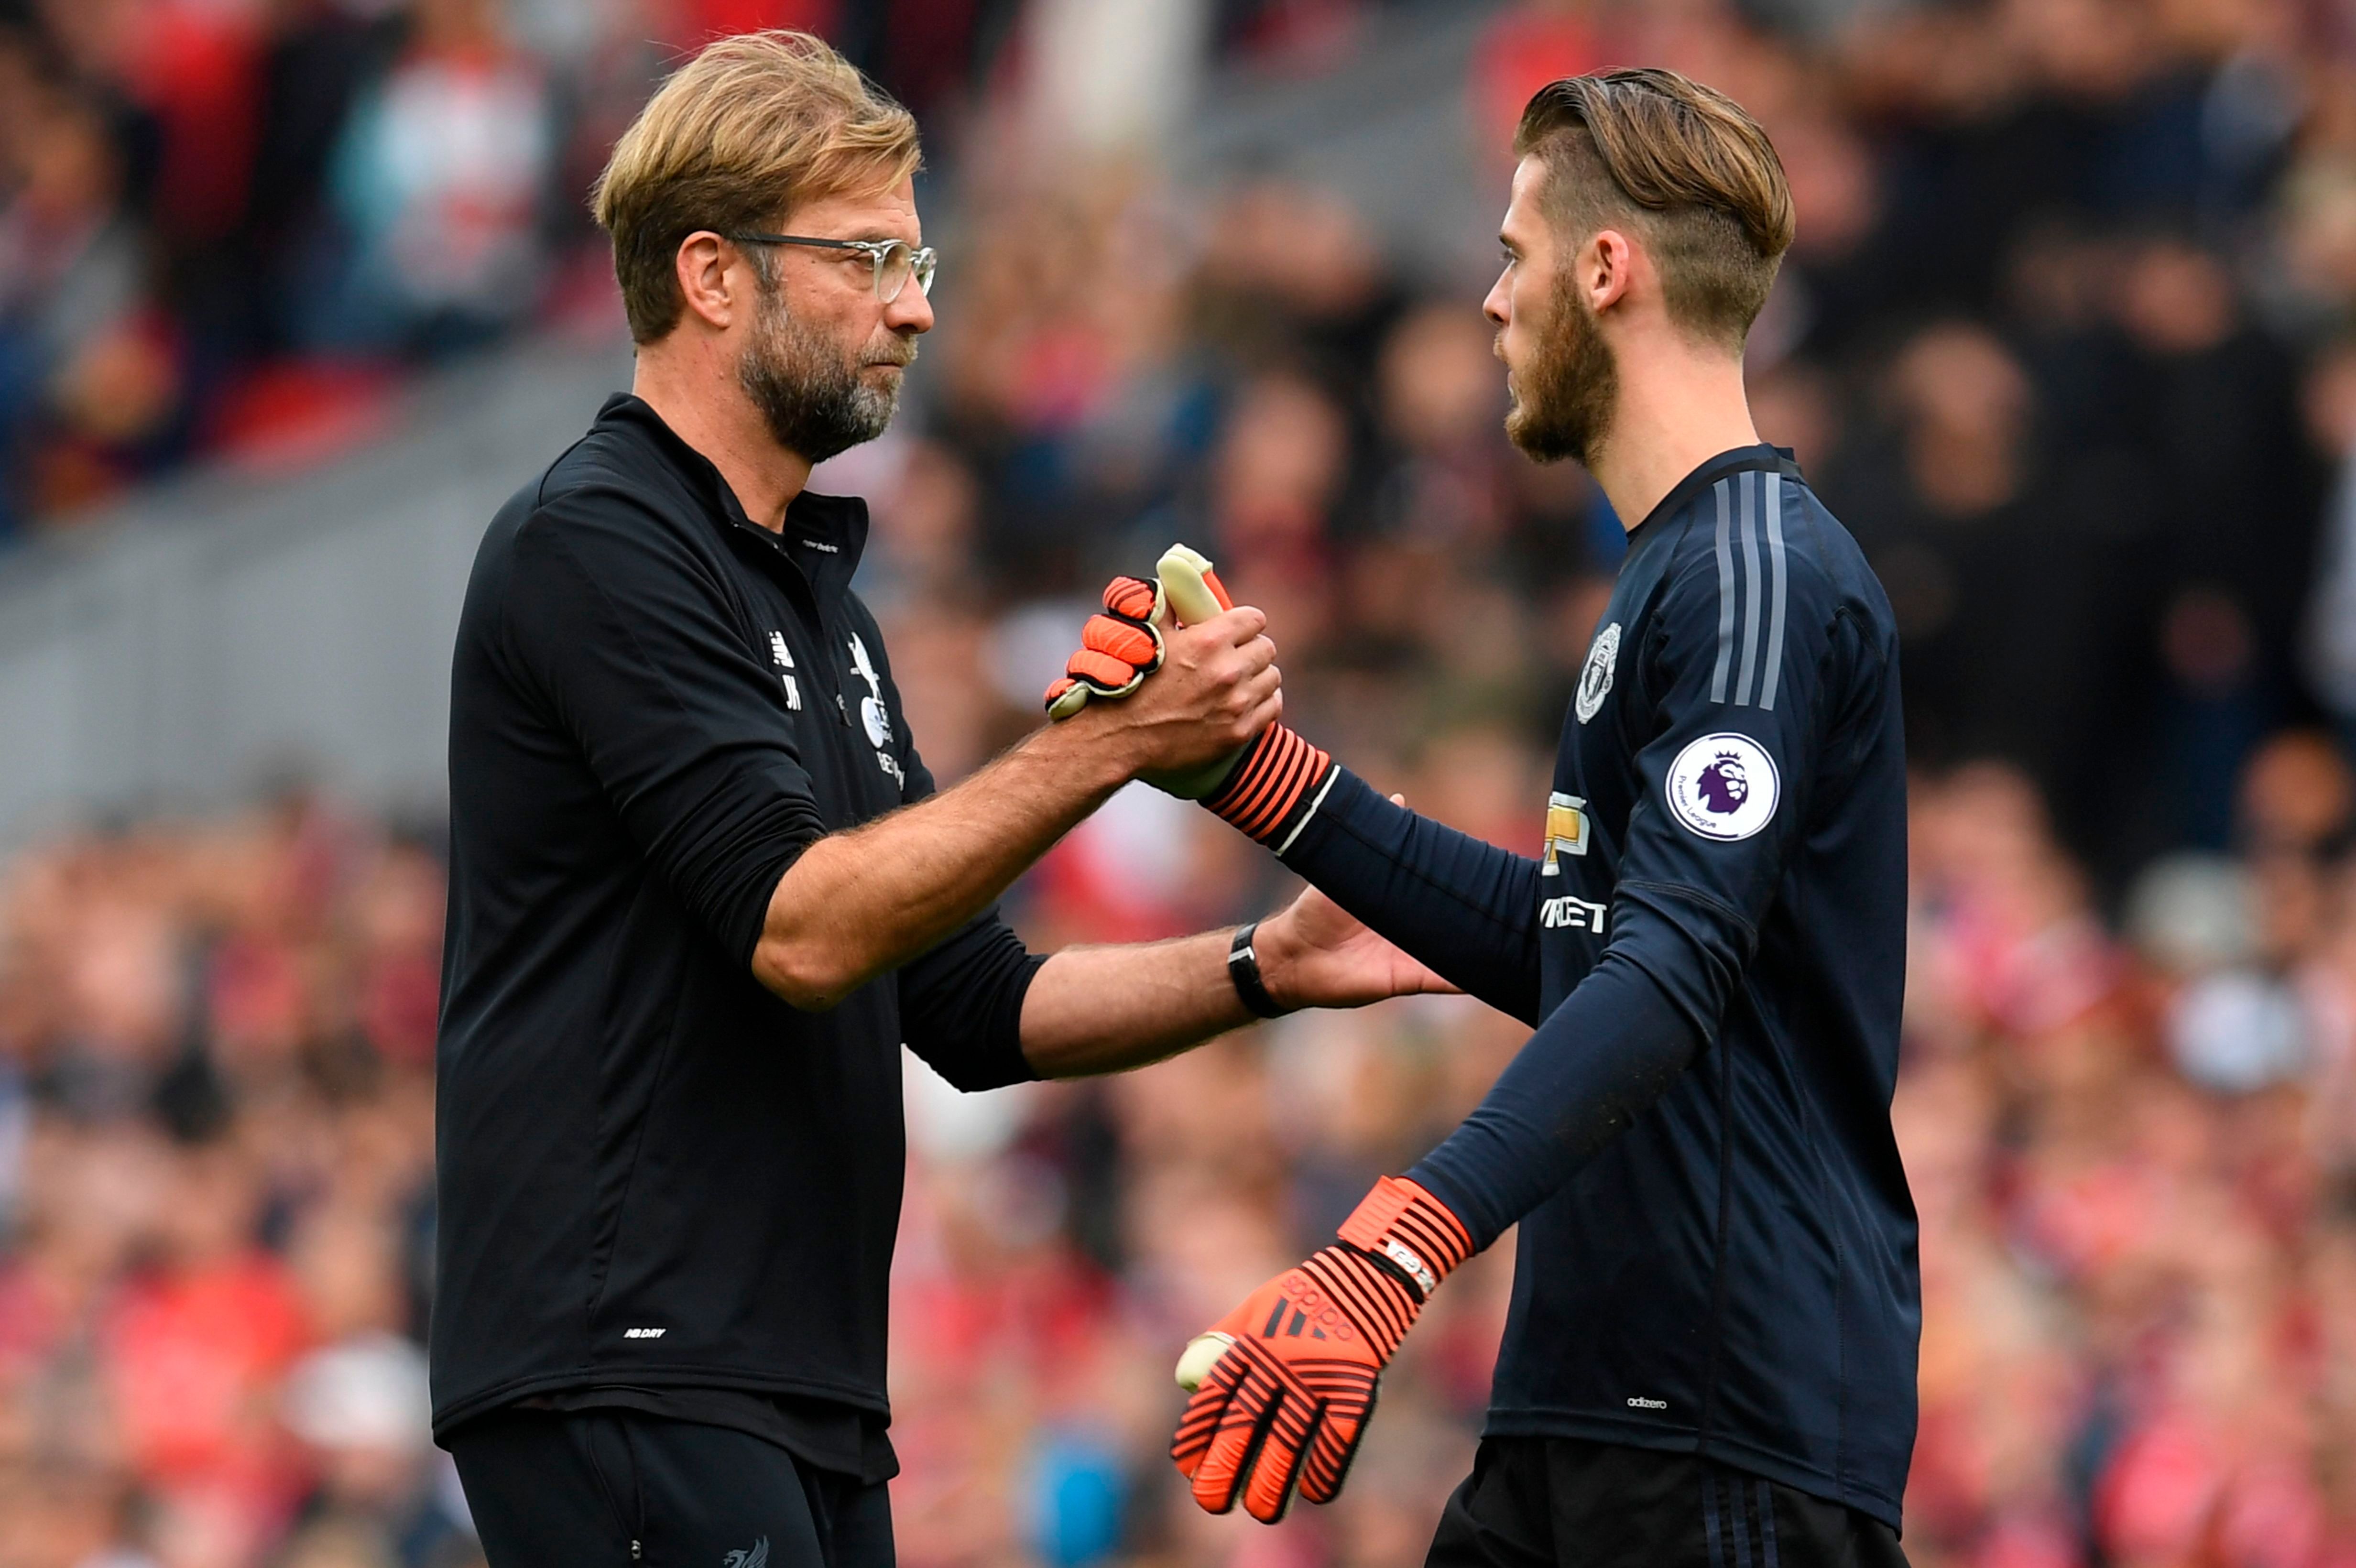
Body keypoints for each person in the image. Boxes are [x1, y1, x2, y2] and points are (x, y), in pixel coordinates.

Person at [428, 32, 1451, 1568]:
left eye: (920, 254)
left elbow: (968, 1005)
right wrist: (1107, 748)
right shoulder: (597, 540)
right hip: (632, 1364)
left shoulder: (821, 600)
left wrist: (1262, 968)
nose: (917, 301)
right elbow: (804, 930)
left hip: (798, 1387)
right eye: (869, 255)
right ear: (713, 274)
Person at [1120, 68, 1918, 1564]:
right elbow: (1584, 944)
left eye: (1513, 256)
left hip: (1722, 1422)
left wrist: (1395, 1249)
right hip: (1591, 1409)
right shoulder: (1680, 570)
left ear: (1605, 272)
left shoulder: (1754, 576)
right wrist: (1250, 774)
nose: (1492, 303)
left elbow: (1671, 968)